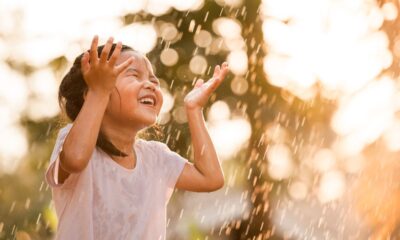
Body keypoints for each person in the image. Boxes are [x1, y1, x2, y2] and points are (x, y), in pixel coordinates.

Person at [45, 35, 229, 240]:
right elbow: (76, 159)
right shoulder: (72, 141)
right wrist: (98, 91)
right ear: (92, 93)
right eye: (134, 75)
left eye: (153, 80)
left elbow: (211, 178)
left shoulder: (156, 158)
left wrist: (194, 110)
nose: (151, 85)